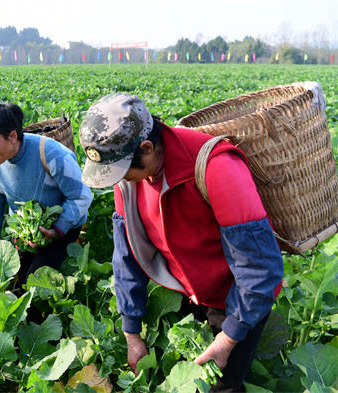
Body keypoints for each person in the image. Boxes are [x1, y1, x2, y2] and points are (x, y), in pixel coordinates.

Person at [78, 92, 283, 391]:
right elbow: (126, 256)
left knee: (220, 387)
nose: (120, 180)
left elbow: (259, 271)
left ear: (146, 148)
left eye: (122, 171)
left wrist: (227, 339)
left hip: (236, 297)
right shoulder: (128, 181)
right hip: (181, 290)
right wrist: (131, 334)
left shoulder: (216, 168)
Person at [0, 103, 92, 285]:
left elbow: (82, 195)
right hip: (26, 231)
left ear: (12, 136)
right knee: (19, 282)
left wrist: (56, 229)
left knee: (35, 282)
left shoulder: (51, 153)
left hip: (64, 226)